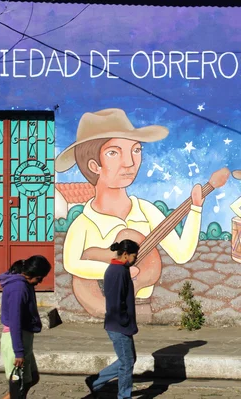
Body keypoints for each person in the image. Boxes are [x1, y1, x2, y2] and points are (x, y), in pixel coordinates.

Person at [56, 108, 204, 317]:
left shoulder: (146, 211)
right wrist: (119, 270)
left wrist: (196, 209)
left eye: (136, 150)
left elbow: (181, 254)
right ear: (93, 165)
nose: (130, 162)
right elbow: (73, 264)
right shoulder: (84, 223)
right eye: (114, 153)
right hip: (102, 306)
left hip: (143, 307)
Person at [85, 239, 140, 399]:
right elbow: (116, 301)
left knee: (129, 359)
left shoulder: (120, 269)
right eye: (134, 256)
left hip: (120, 324)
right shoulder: (118, 271)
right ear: (125, 254)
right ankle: (124, 396)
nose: (135, 259)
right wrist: (124, 322)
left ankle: (95, 381)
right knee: (127, 363)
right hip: (119, 325)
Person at [0, 255, 52, 398]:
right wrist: (19, 352)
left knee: (31, 379)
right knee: (19, 386)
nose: (40, 282)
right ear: (33, 274)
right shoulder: (18, 288)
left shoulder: (24, 284)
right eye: (40, 278)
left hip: (23, 338)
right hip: (16, 338)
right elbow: (15, 321)